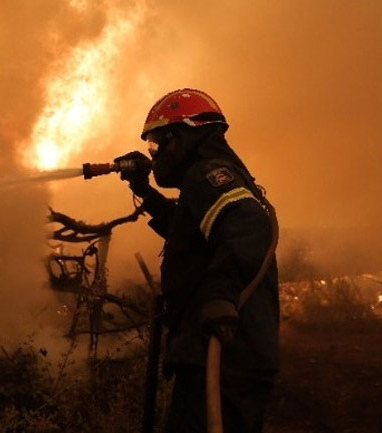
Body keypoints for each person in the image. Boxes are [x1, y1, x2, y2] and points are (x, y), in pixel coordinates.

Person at [116, 88, 279, 433]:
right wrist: (144, 190)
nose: (155, 155)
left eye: (158, 144)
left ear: (180, 138)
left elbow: (248, 223)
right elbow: (188, 231)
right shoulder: (211, 180)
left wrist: (221, 296)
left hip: (224, 356)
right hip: (225, 354)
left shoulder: (207, 174)